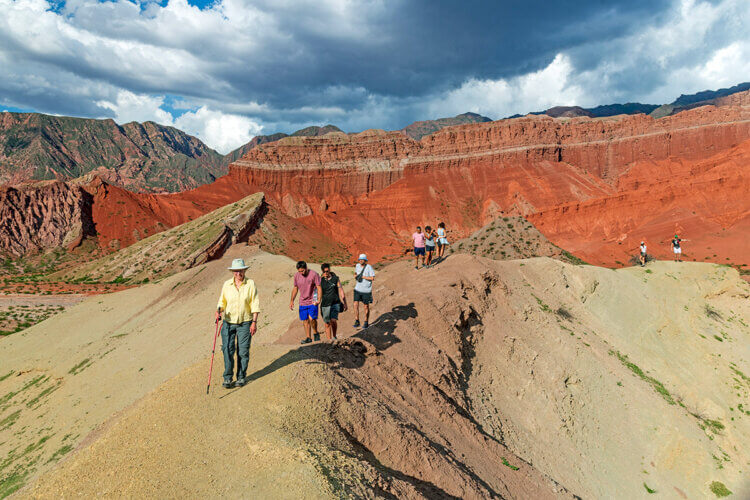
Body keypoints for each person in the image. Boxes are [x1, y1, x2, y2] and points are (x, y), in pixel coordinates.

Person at [215, 258, 260, 389]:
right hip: (228, 323)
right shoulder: (226, 285)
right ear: (232, 272)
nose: (238, 274)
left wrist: (254, 322)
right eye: (235, 271)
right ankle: (228, 378)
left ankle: (241, 376)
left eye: (240, 271)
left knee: (243, 351)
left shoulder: (250, 284)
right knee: (227, 350)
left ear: (244, 270)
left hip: (245, 322)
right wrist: (218, 312)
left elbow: (255, 303)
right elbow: (221, 302)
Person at [290, 261, 322, 344]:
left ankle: (315, 333)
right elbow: (295, 288)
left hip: (312, 300)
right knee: (305, 320)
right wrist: (292, 301)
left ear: (306, 268)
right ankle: (308, 337)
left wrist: (319, 299)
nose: (301, 273)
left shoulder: (314, 274)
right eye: (299, 271)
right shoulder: (297, 276)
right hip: (302, 301)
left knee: (312, 319)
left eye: (302, 271)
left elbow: (319, 287)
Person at [320, 263, 348, 340]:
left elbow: (341, 290)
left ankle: (334, 336)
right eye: (324, 271)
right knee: (327, 323)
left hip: (335, 303)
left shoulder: (335, 279)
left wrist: (345, 302)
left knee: (333, 320)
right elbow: (316, 291)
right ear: (322, 271)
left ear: (329, 270)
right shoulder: (320, 280)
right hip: (325, 304)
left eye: (327, 271)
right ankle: (329, 341)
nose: (326, 273)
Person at [352, 253, 375, 329]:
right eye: (360, 259)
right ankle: (357, 320)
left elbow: (372, 278)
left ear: (365, 260)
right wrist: (355, 275)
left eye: (362, 259)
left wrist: (363, 277)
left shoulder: (369, 267)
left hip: (366, 290)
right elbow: (355, 273)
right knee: (355, 304)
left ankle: (366, 322)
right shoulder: (357, 266)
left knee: (366, 306)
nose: (361, 260)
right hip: (357, 289)